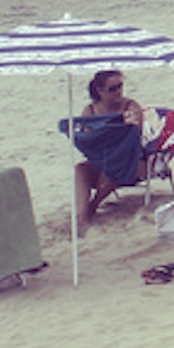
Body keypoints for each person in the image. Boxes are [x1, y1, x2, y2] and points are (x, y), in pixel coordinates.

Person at [71, 69, 151, 229]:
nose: (119, 91)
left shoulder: (130, 106)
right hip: (103, 158)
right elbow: (88, 139)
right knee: (80, 169)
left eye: (120, 86)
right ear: (100, 91)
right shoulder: (90, 110)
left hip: (131, 160)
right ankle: (81, 216)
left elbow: (134, 136)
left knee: (114, 166)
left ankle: (93, 205)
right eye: (112, 89)